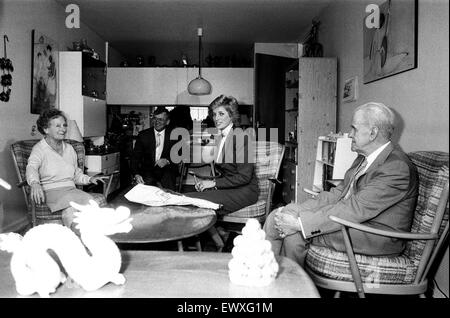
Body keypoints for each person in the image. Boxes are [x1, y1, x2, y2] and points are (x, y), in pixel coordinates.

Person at [263, 102, 418, 267]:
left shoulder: (396, 167)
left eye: (354, 129)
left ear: (373, 133)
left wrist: (300, 223)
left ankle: (288, 287)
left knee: (295, 233)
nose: (350, 134)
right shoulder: (364, 157)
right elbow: (338, 194)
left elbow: (354, 209)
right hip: (353, 220)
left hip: (374, 234)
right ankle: (267, 276)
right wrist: (298, 210)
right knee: (279, 216)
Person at [26, 109, 107, 228]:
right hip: (50, 191)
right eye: (57, 125)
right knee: (84, 206)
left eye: (64, 125)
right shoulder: (39, 149)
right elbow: (31, 167)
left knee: (77, 210)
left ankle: (81, 239)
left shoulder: (70, 149)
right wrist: (34, 183)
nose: (63, 129)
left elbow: (77, 175)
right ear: (46, 129)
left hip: (70, 190)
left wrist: (89, 179)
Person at [184, 95, 259, 215]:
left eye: (221, 114)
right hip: (228, 188)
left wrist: (214, 183)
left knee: (191, 202)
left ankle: (215, 233)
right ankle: (218, 233)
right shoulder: (219, 137)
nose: (216, 118)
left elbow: (244, 177)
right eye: (214, 114)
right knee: (186, 199)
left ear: (231, 115)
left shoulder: (241, 137)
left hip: (245, 191)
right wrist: (206, 182)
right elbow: (216, 165)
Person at [130, 106, 177, 190]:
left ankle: (170, 201)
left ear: (167, 122)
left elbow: (179, 155)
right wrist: (136, 174)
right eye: (155, 118)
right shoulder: (143, 135)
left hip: (166, 170)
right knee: (147, 188)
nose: (157, 122)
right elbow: (135, 157)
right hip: (147, 170)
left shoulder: (174, 136)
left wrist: (167, 160)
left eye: (161, 119)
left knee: (169, 182)